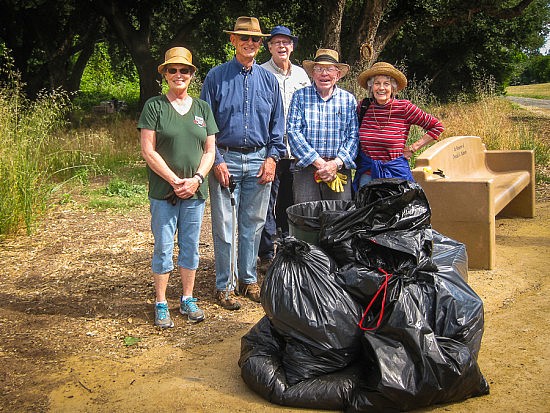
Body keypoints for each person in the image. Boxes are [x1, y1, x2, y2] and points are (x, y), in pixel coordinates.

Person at [200, 16, 285, 310]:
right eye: (244, 38)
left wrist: (273, 159)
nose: (250, 43)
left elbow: (278, 126)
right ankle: (224, 284)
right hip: (227, 159)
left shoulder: (269, 80)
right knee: (224, 226)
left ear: (261, 44)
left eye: (256, 39)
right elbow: (205, 124)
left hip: (261, 160)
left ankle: (248, 280)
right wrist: (217, 161)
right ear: (233, 41)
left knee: (254, 224)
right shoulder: (216, 77)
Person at [138, 47, 218, 328]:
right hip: (165, 193)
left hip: (195, 192)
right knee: (163, 247)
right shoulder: (154, 106)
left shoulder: (202, 108)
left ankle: (187, 298)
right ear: (165, 75)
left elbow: (210, 150)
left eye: (184, 70)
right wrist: (174, 180)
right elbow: (148, 151)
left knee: (191, 247)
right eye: (172, 70)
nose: (178, 75)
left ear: (192, 75)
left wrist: (196, 179)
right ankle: (161, 302)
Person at [257, 25, 311, 271]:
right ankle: (267, 253)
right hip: (272, 150)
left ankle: (289, 250)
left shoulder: (301, 75)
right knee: (268, 202)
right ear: (268, 47)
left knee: (292, 202)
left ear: (292, 46)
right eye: (276, 42)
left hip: (297, 151)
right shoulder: (260, 73)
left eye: (286, 42)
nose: (281, 46)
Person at [353, 62, 444, 189]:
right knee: (366, 209)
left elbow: (437, 127)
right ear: (371, 87)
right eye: (377, 83)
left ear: (393, 88)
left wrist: (413, 148)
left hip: (395, 175)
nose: (381, 88)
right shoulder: (363, 107)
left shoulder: (404, 108)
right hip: (367, 175)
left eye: (386, 84)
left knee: (397, 209)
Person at [287, 48, 359, 203]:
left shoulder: (348, 100)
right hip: (307, 168)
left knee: (338, 219)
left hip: (339, 169)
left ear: (338, 74)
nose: (324, 74)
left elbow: (354, 136)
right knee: (306, 219)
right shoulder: (300, 96)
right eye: (319, 69)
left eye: (329, 69)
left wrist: (335, 164)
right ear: (312, 74)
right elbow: (293, 132)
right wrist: (320, 163)